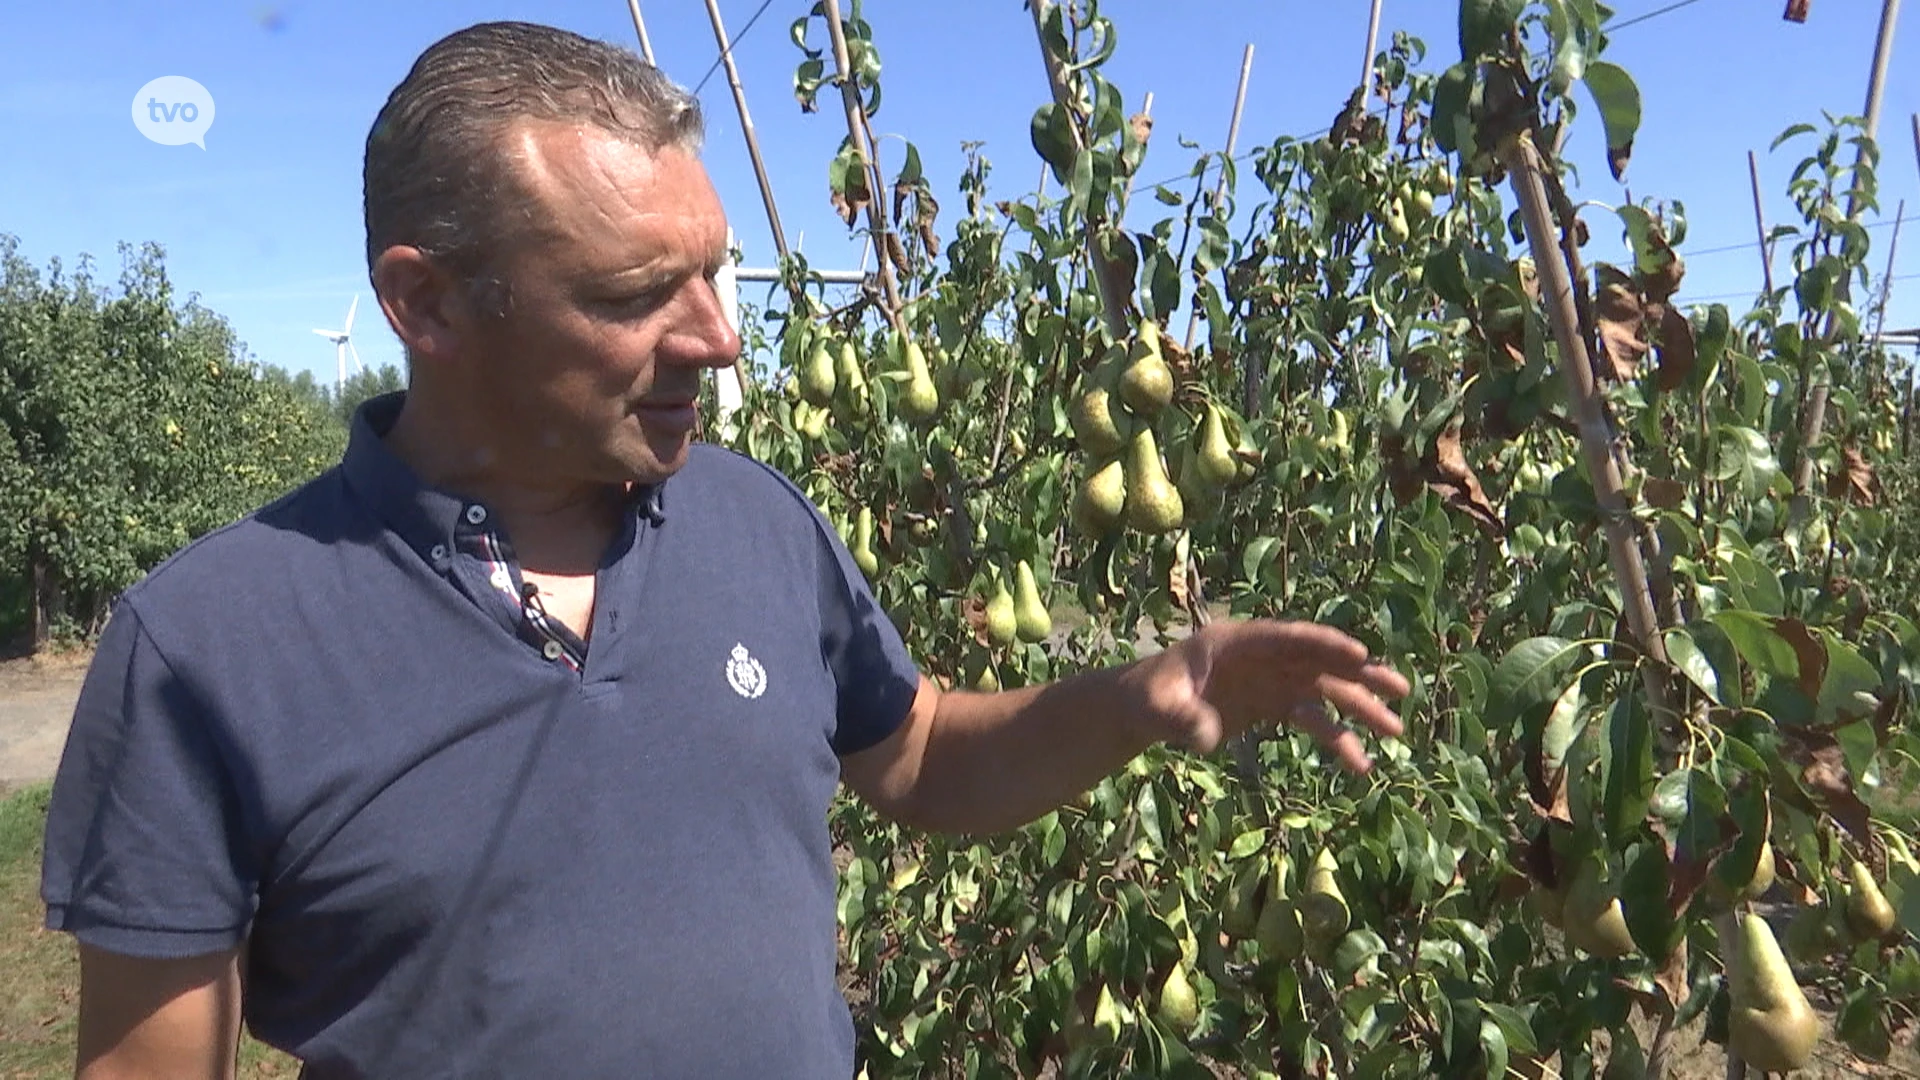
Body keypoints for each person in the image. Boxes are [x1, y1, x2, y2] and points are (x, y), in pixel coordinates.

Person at [40, 20, 1410, 1080]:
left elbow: (921, 753)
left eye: (716, 272)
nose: (720, 336)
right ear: (427, 301)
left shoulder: (759, 520)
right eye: (640, 294)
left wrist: (1132, 701)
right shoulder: (207, 645)